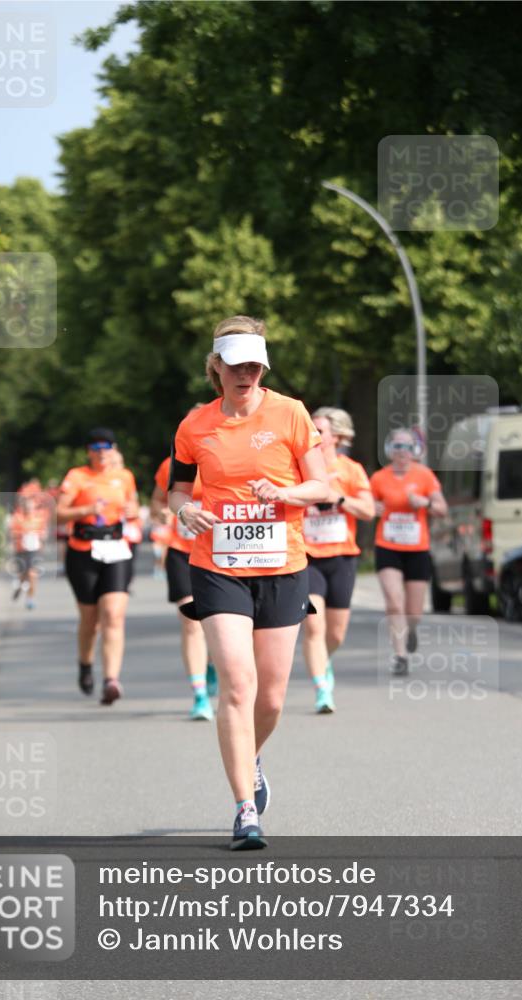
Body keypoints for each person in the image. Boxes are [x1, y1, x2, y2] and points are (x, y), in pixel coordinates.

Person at [168, 315, 328, 849]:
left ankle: (250, 758)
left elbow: (322, 485)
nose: (246, 375)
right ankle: (244, 811)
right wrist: (185, 514)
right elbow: (177, 491)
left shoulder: (291, 413)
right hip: (218, 564)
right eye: (236, 366)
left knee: (273, 697)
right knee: (237, 684)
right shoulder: (195, 426)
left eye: (255, 366)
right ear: (216, 366)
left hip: (283, 564)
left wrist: (284, 493)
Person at [57, 428, 137, 705]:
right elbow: (59, 513)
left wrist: (132, 511)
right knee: (91, 621)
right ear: (88, 451)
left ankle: (111, 680)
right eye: (96, 448)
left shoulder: (124, 477)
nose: (101, 452)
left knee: (114, 615)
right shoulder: (77, 476)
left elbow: (134, 505)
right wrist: (85, 511)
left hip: (116, 548)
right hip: (83, 551)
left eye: (106, 447)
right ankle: (85, 664)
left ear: (113, 450)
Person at [302, 407, 374, 713]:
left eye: (320, 430)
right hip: (307, 557)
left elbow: (369, 511)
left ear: (337, 436)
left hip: (343, 557)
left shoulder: (351, 470)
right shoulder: (298, 467)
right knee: (313, 628)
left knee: (335, 633)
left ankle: (324, 660)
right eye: (311, 429)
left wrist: (338, 498)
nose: (314, 435)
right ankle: (322, 689)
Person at [370, 427, 448, 675]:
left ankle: (411, 629)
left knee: (414, 610)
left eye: (406, 446)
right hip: (388, 546)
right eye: (397, 446)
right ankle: (400, 655)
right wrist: (374, 507)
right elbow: (367, 505)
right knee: (394, 602)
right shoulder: (379, 478)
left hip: (417, 549)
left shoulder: (424, 476)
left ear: (414, 450)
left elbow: (441, 508)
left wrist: (424, 502)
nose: (401, 451)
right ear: (389, 450)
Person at [151, 447, 216, 721]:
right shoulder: (172, 464)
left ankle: (212, 662)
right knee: (191, 621)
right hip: (181, 551)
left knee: (218, 624)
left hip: (220, 552)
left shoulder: (227, 457)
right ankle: (199, 694)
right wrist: (162, 513)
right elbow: (157, 500)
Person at [9, 495, 49, 610]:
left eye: (31, 507)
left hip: (34, 550)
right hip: (21, 550)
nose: (29, 509)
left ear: (34, 507)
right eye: (26, 507)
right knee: (23, 575)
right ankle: (20, 588)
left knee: (32, 574)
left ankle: (30, 599)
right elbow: (12, 534)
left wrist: (41, 536)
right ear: (23, 507)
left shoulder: (38, 519)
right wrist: (21, 535)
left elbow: (43, 533)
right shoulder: (17, 518)